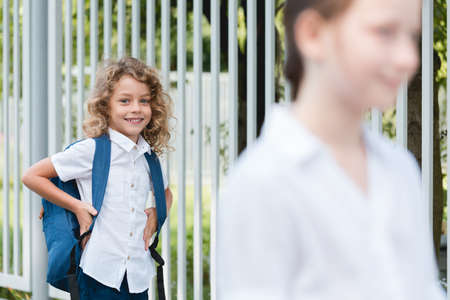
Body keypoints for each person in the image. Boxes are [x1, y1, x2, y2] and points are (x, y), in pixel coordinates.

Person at [217, 0, 445, 299]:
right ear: (312, 34)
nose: (408, 58)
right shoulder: (261, 184)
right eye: (384, 31)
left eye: (412, 36)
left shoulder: (399, 168)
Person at [22, 57, 173, 299]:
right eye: (125, 101)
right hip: (98, 274)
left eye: (144, 101)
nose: (136, 108)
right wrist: (77, 207)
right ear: (105, 106)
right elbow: (32, 176)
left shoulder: (149, 158)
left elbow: (166, 192)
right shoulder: (92, 150)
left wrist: (156, 214)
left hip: (136, 277)